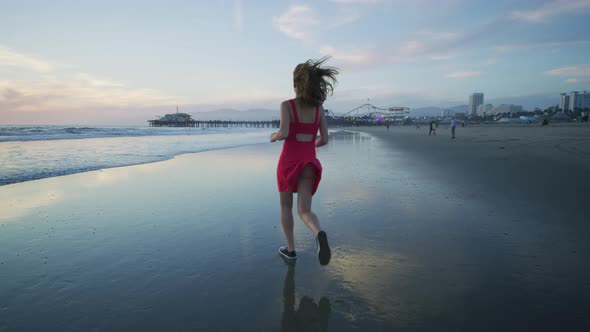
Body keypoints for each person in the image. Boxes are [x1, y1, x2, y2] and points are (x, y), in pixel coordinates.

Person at [270, 57, 337, 266]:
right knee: (305, 210)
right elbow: (324, 139)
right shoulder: (319, 109)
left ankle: (290, 250)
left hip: (289, 162)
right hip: (309, 162)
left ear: (296, 84)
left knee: (285, 206)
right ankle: (318, 233)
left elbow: (284, 132)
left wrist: (273, 136)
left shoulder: (287, 106)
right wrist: (309, 146)